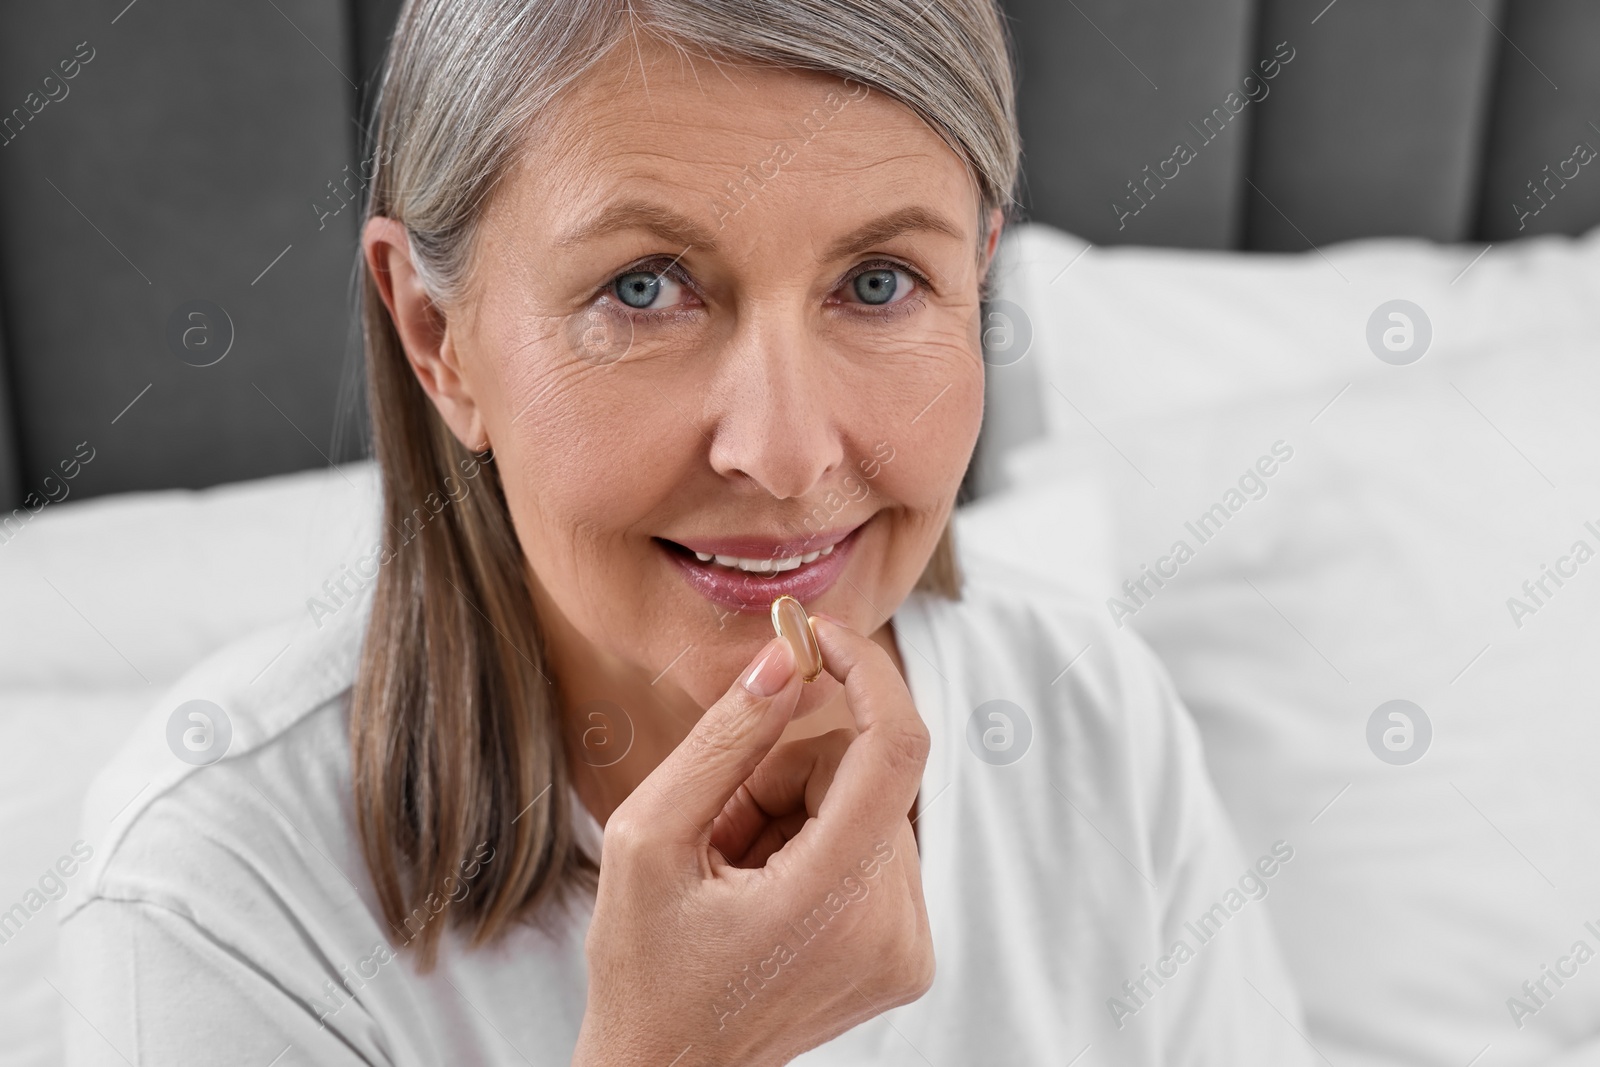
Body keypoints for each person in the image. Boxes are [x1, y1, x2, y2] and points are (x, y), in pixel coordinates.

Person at [60, 1, 1312, 1062]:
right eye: (643, 288)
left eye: (878, 282)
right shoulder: (216, 897)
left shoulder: (1091, 712)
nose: (786, 452)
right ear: (440, 338)